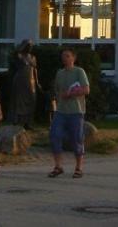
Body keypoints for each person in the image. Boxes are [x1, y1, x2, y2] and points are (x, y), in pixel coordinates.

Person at [48, 49, 90, 178]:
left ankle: (78, 167)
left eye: (67, 56)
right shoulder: (60, 73)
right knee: (55, 135)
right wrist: (56, 100)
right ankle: (58, 166)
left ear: (73, 58)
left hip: (75, 111)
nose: (65, 58)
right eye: (63, 56)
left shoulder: (79, 72)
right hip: (60, 110)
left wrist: (70, 93)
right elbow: (57, 90)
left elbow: (86, 89)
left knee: (77, 139)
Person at [8, 40, 39, 128]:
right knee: (18, 101)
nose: (30, 48)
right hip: (20, 81)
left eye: (31, 46)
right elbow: (16, 55)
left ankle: (27, 122)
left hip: (31, 82)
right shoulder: (19, 56)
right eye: (28, 46)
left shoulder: (33, 57)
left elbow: (34, 70)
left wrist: (37, 82)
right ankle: (16, 120)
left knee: (32, 100)